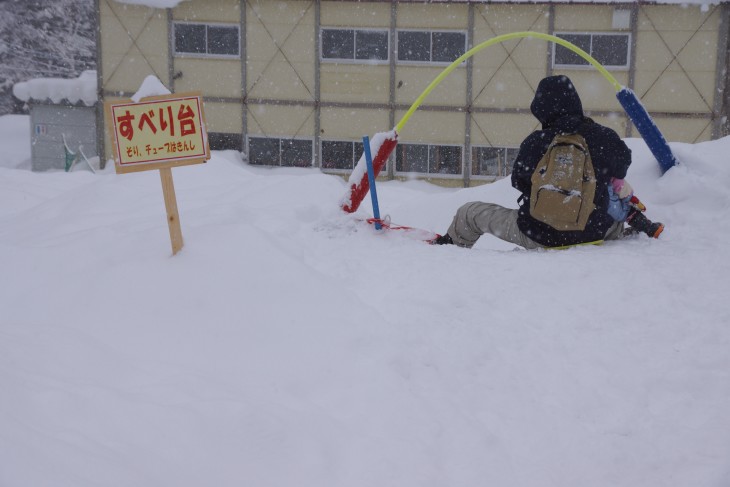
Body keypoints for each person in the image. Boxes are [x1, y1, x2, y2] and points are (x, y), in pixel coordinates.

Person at [432, 75, 664, 249]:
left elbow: (519, 182)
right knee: (615, 209)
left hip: (537, 234)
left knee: (470, 213)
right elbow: (622, 166)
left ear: (541, 109)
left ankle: (449, 252)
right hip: (594, 233)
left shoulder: (535, 141)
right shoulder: (604, 137)